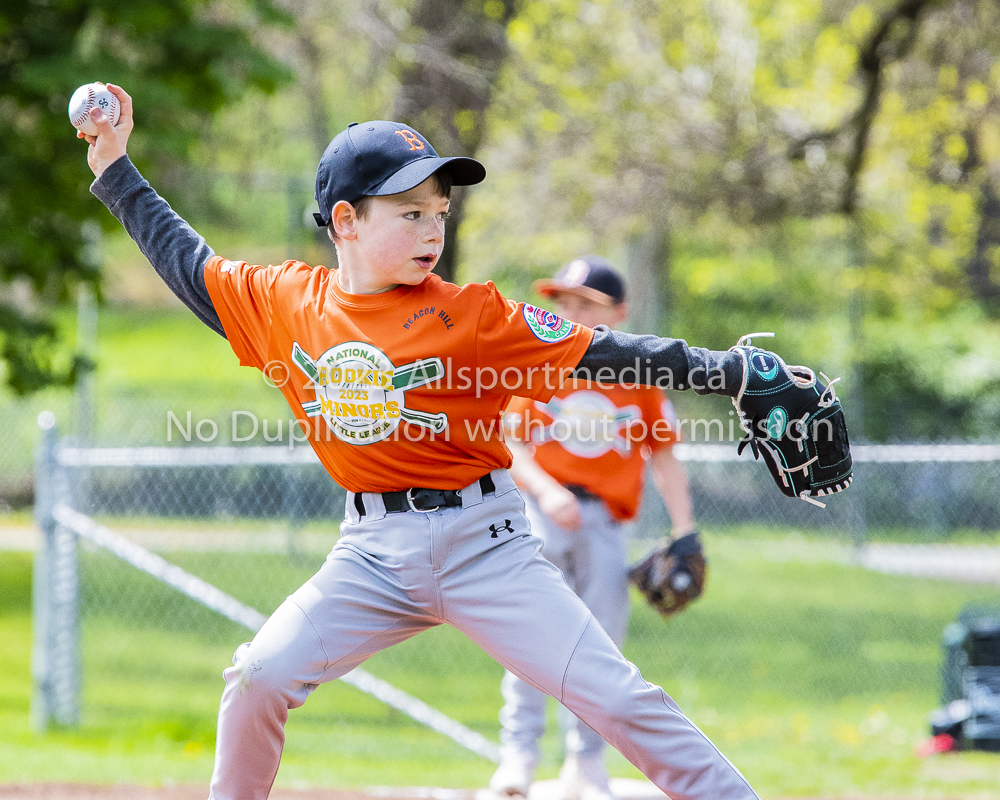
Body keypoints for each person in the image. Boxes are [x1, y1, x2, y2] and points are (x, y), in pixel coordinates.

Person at [78, 84, 761, 800]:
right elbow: (189, 263)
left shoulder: (472, 315)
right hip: (370, 553)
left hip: (486, 545)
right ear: (345, 219)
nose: (433, 230)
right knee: (257, 678)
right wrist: (115, 169)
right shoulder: (288, 304)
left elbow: (604, 352)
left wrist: (735, 372)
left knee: (618, 700)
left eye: (438, 212)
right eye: (409, 213)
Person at [492, 256, 697, 800]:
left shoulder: (637, 373)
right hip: (543, 513)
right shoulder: (542, 364)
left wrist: (685, 530)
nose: (571, 311)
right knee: (530, 636)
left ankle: (585, 764)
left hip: (606, 522)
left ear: (621, 313)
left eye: (587, 303)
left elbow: (664, 455)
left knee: (600, 649)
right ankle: (520, 755)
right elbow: (509, 442)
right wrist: (547, 491)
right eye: (564, 301)